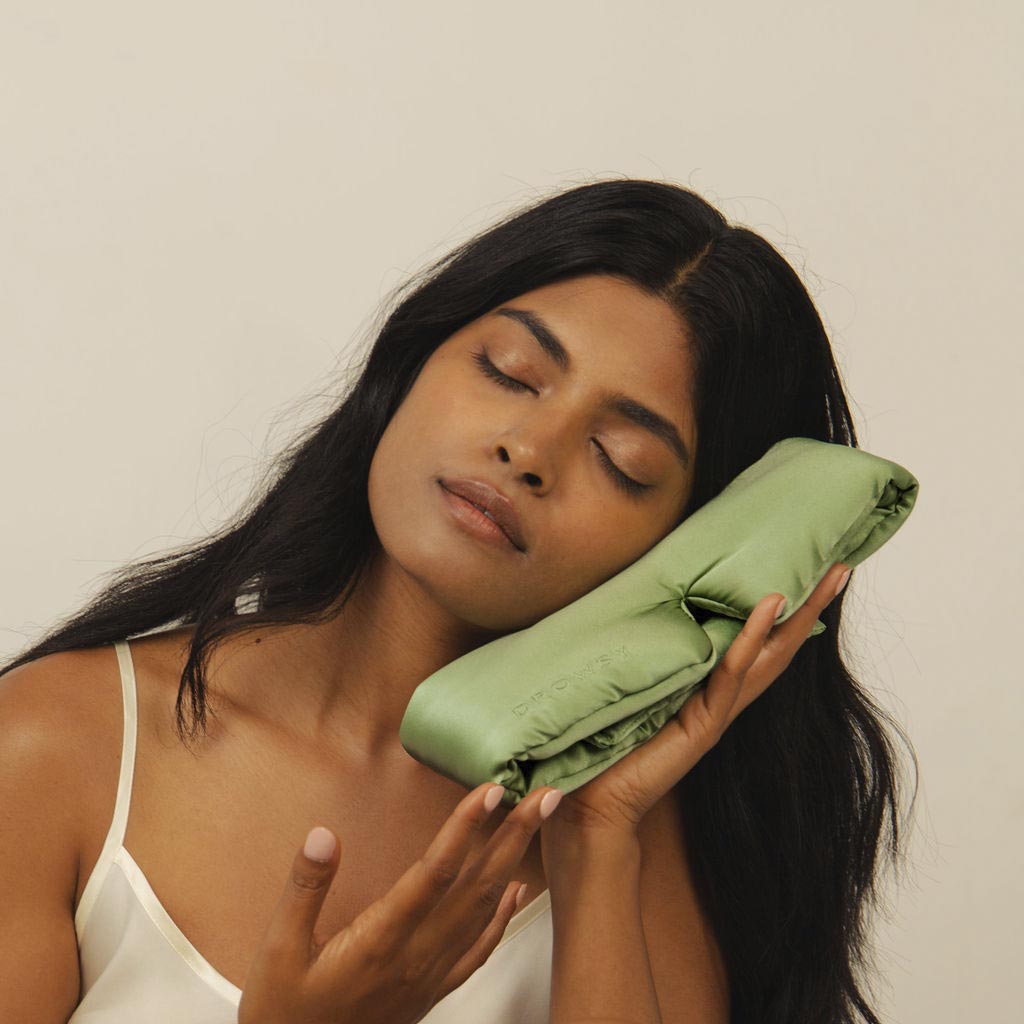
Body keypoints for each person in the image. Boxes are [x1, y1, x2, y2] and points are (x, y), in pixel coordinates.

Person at [0, 178, 916, 1023]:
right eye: (510, 372)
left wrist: (598, 837)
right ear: (413, 360)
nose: (530, 447)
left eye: (621, 460)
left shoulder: (646, 863)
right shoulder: (56, 745)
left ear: (688, 543)